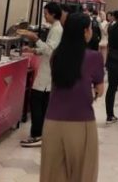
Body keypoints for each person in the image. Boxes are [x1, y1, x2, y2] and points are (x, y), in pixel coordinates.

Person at [41, 13, 104, 182]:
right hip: (81, 122)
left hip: (52, 122)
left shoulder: (56, 56)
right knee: (83, 174)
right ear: (85, 31)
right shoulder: (94, 57)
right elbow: (100, 90)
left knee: (52, 175)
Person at [19, 2, 66, 147]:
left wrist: (35, 39)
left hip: (47, 73)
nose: (44, 16)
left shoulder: (57, 29)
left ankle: (36, 134)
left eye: (46, 13)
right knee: (41, 102)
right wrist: (33, 50)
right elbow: (48, 49)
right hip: (46, 70)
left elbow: (50, 50)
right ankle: (40, 133)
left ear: (53, 14)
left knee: (37, 101)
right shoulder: (54, 28)